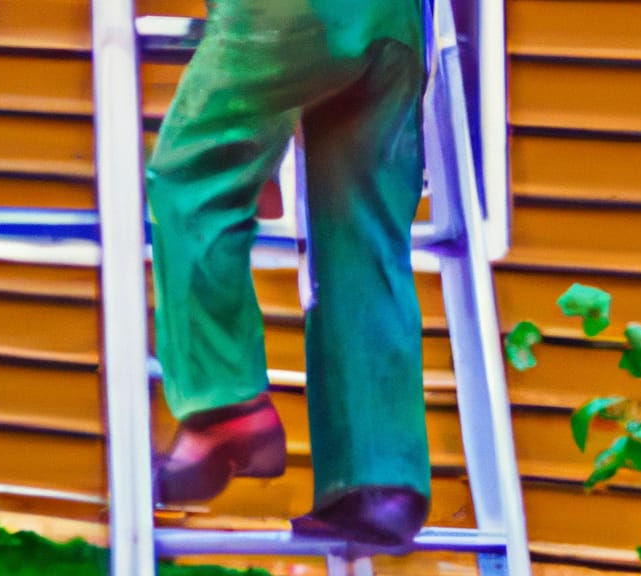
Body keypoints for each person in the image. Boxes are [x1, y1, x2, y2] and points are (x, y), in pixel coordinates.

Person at [146, 0, 431, 548]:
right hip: (395, 25)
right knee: (359, 227)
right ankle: (379, 482)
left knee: (192, 178)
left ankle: (224, 404)